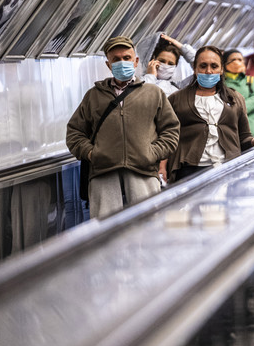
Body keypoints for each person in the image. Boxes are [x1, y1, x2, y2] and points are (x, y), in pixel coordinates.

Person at [66, 36, 180, 218]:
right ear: (108, 64)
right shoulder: (94, 96)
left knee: (147, 225)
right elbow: (75, 132)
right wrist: (91, 153)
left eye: (126, 58)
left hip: (143, 172)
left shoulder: (153, 93)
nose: (122, 63)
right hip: (103, 173)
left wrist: (152, 153)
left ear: (135, 61)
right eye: (116, 59)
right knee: (106, 231)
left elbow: (171, 131)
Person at [165, 46, 254, 182]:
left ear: (221, 70)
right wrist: (163, 168)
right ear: (195, 69)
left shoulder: (235, 98)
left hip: (229, 169)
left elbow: (243, 138)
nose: (208, 71)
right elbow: (167, 137)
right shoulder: (177, 99)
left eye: (214, 66)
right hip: (189, 171)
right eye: (203, 66)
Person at [222, 49, 254, 137]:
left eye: (240, 60)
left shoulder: (251, 81)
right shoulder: (222, 84)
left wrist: (235, 110)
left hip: (253, 128)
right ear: (225, 63)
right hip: (233, 131)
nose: (237, 62)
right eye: (233, 60)